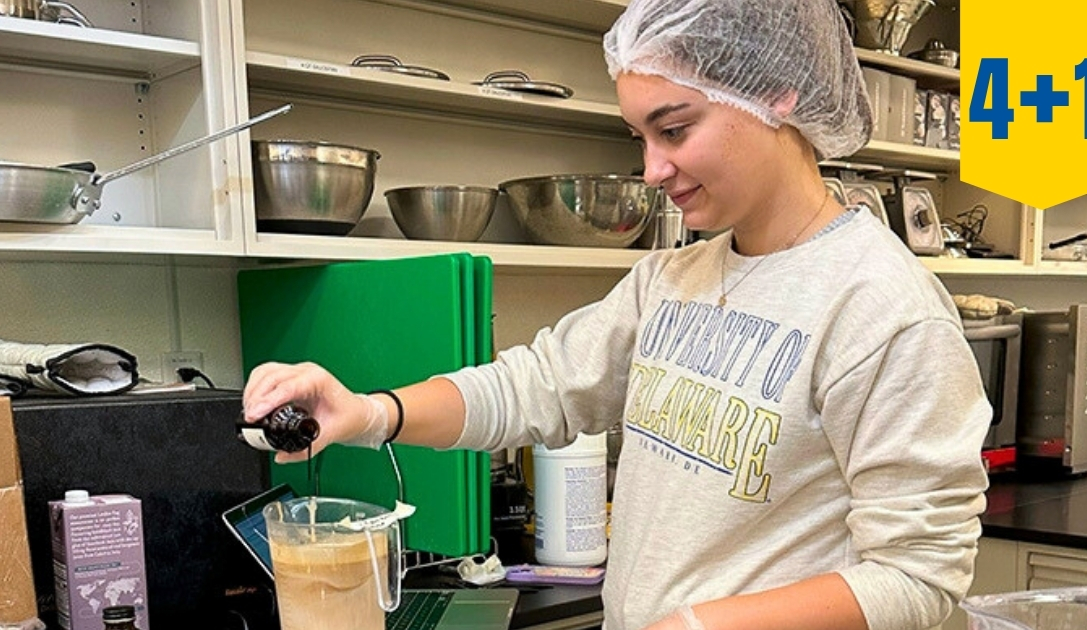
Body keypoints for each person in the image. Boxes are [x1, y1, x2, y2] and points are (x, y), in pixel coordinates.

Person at [241, 1, 992, 629]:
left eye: (674, 129)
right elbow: (533, 387)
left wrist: (698, 626)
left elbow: (917, 578)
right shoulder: (670, 279)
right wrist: (370, 413)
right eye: (640, 137)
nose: (652, 170)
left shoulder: (883, 310)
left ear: (778, 96)